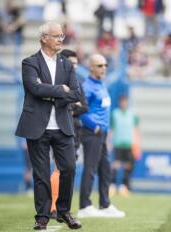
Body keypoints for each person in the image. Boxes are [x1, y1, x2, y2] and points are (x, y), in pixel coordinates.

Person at [15, 22, 82, 230]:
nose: (61, 39)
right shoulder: (29, 62)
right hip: (37, 126)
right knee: (41, 173)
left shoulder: (66, 64)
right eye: (56, 36)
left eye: (62, 36)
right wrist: (61, 90)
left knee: (69, 168)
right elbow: (34, 88)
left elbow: (76, 93)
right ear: (44, 38)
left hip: (62, 126)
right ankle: (42, 216)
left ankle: (63, 212)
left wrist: (51, 93)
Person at [77, 54, 125, 218]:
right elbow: (81, 111)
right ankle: (84, 206)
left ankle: (105, 204)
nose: (103, 68)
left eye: (105, 65)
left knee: (105, 168)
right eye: (99, 65)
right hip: (92, 133)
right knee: (90, 168)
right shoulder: (87, 87)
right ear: (91, 67)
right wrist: (95, 127)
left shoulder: (102, 85)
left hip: (102, 134)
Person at [50, 49, 88, 218]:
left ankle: (61, 208)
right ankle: (52, 206)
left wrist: (70, 105)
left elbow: (84, 106)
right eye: (71, 64)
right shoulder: (54, 82)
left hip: (75, 131)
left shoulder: (78, 84)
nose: (74, 67)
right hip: (60, 129)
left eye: (76, 65)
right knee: (60, 168)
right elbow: (57, 105)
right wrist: (72, 104)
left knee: (68, 170)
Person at [109, 95, 140, 197]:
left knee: (128, 165)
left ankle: (123, 186)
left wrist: (137, 143)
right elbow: (111, 129)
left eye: (125, 102)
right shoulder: (115, 114)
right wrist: (110, 142)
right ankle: (112, 186)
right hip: (117, 143)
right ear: (119, 103)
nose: (124, 103)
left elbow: (136, 129)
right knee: (116, 164)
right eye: (122, 102)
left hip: (129, 144)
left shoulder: (132, 115)